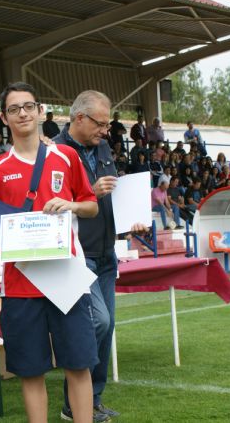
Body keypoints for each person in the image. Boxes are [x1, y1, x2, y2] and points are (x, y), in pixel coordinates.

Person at [0, 82, 98, 422]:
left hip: (66, 278)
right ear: (4, 118)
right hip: (21, 283)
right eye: (14, 109)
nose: (22, 113)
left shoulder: (66, 157)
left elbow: (92, 206)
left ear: (40, 111)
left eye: (28, 106)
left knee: (78, 364)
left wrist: (72, 204)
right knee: (31, 371)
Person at [53, 90, 147, 422]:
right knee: (98, 321)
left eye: (107, 125)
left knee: (107, 328)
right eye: (101, 124)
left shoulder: (103, 147)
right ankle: (72, 403)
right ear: (79, 118)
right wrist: (90, 192)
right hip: (78, 254)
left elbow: (114, 193)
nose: (105, 131)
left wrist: (132, 219)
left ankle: (92, 400)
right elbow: (51, 203)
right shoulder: (54, 152)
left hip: (107, 251)